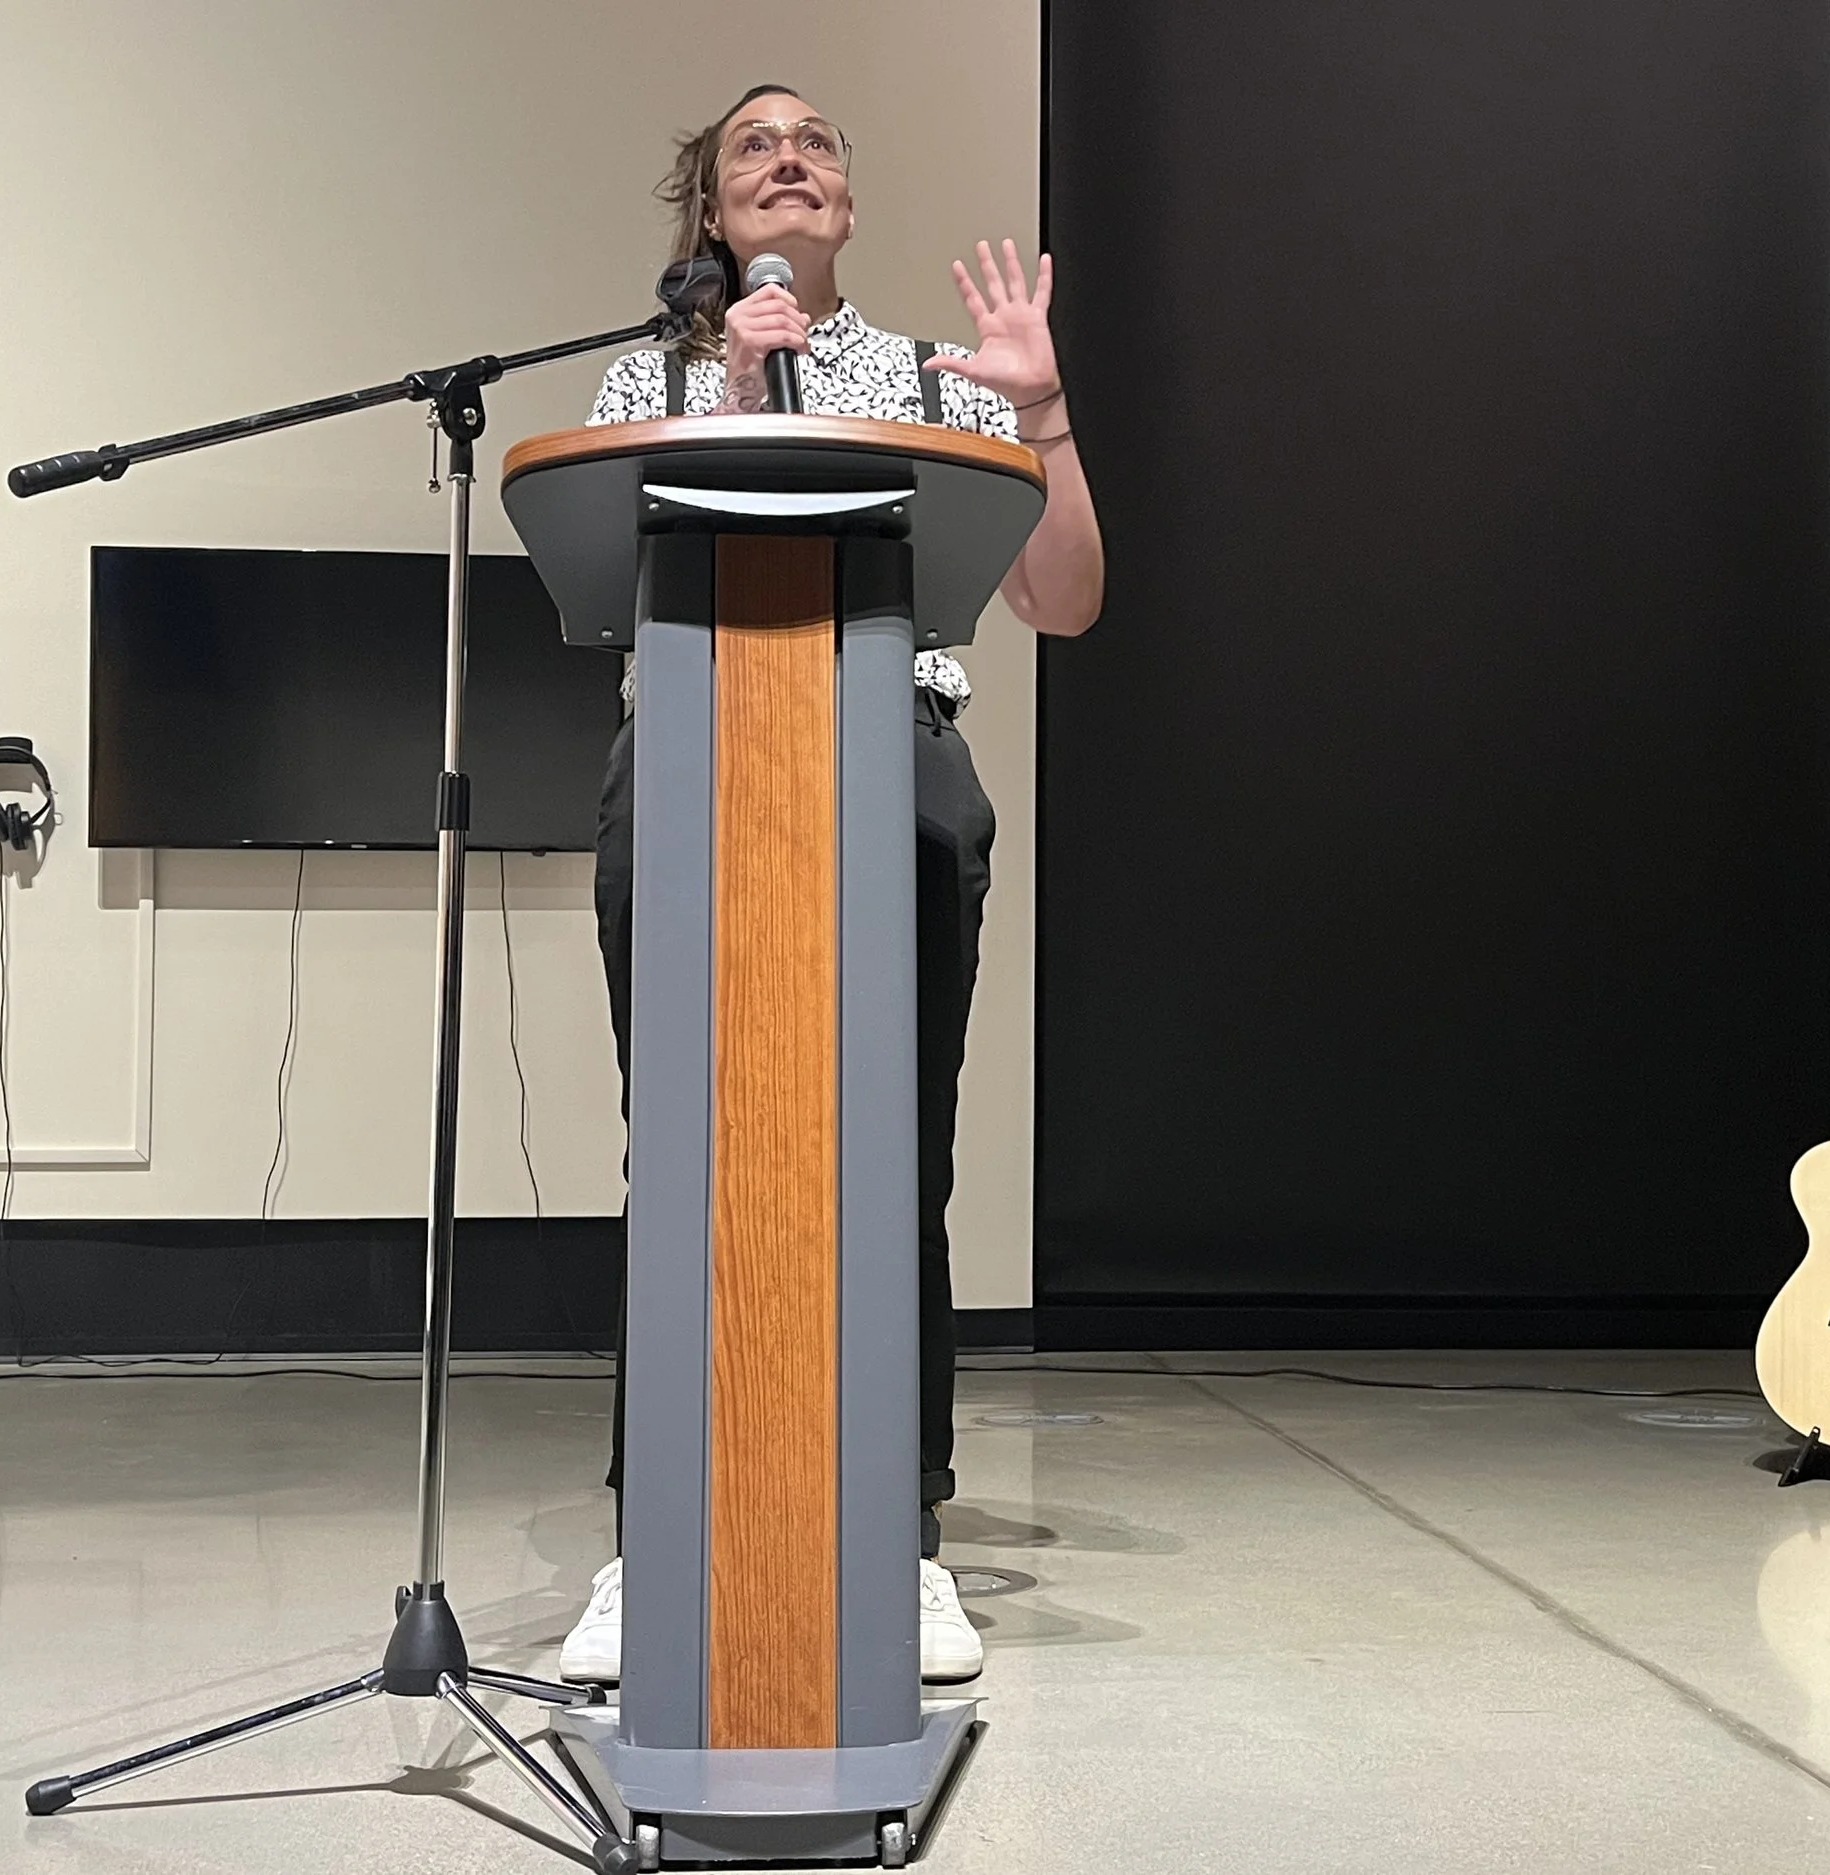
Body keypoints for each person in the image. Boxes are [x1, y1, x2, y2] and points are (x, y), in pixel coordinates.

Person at [558, 83, 1103, 1687]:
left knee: (893, 1156)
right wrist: (733, 393)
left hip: (892, 751)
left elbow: (1065, 600)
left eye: (817, 144)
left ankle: (899, 1537)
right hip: (691, 750)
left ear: (846, 206)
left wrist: (1043, 413)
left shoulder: (940, 381)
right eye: (755, 145)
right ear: (715, 216)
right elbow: (601, 574)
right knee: (681, 1149)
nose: (789, 156)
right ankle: (659, 1535)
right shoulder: (647, 376)